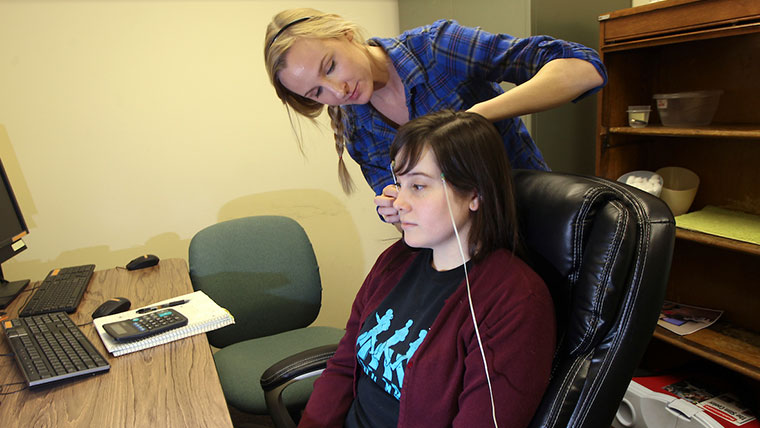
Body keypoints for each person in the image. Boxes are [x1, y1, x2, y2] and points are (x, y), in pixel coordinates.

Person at [297, 110, 556, 428]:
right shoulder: (396, 261)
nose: (399, 202)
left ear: (475, 193)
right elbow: (344, 364)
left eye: (418, 186)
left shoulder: (514, 300)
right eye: (399, 183)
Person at [264, 8, 606, 224]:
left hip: (533, 224)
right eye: (317, 93)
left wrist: (476, 117)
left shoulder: (437, 47)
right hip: (464, 261)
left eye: (331, 66)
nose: (338, 91)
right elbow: (412, 215)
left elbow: (584, 70)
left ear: (347, 35)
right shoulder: (359, 129)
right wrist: (396, 211)